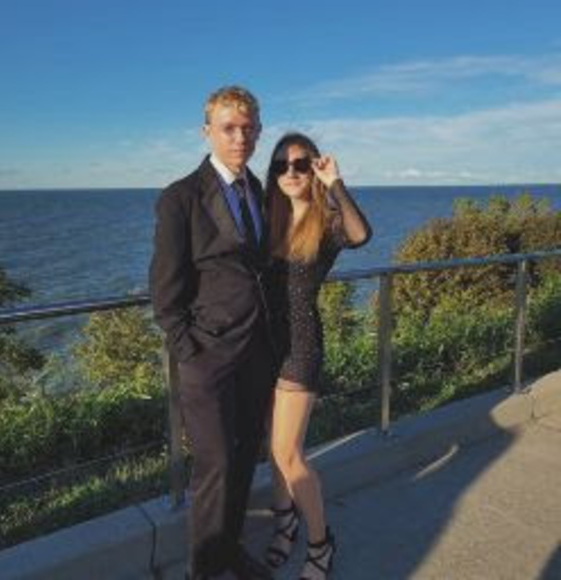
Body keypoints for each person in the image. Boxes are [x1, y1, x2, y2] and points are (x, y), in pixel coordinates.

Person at [150, 86, 276, 580]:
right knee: (215, 464)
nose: (240, 137)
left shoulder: (257, 190)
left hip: (256, 351)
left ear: (258, 131)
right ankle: (202, 570)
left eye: (248, 128)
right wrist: (190, 350)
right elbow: (165, 288)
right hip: (208, 355)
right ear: (207, 132)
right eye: (229, 128)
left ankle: (229, 550)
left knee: (244, 457)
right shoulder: (181, 197)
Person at [264, 133, 372, 579]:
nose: (290, 172)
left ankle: (320, 543)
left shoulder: (324, 222)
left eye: (300, 164)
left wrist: (335, 182)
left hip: (300, 346)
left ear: (313, 169)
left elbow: (361, 234)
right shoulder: (267, 218)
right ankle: (284, 522)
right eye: (281, 165)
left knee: (288, 452)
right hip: (263, 346)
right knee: (273, 450)